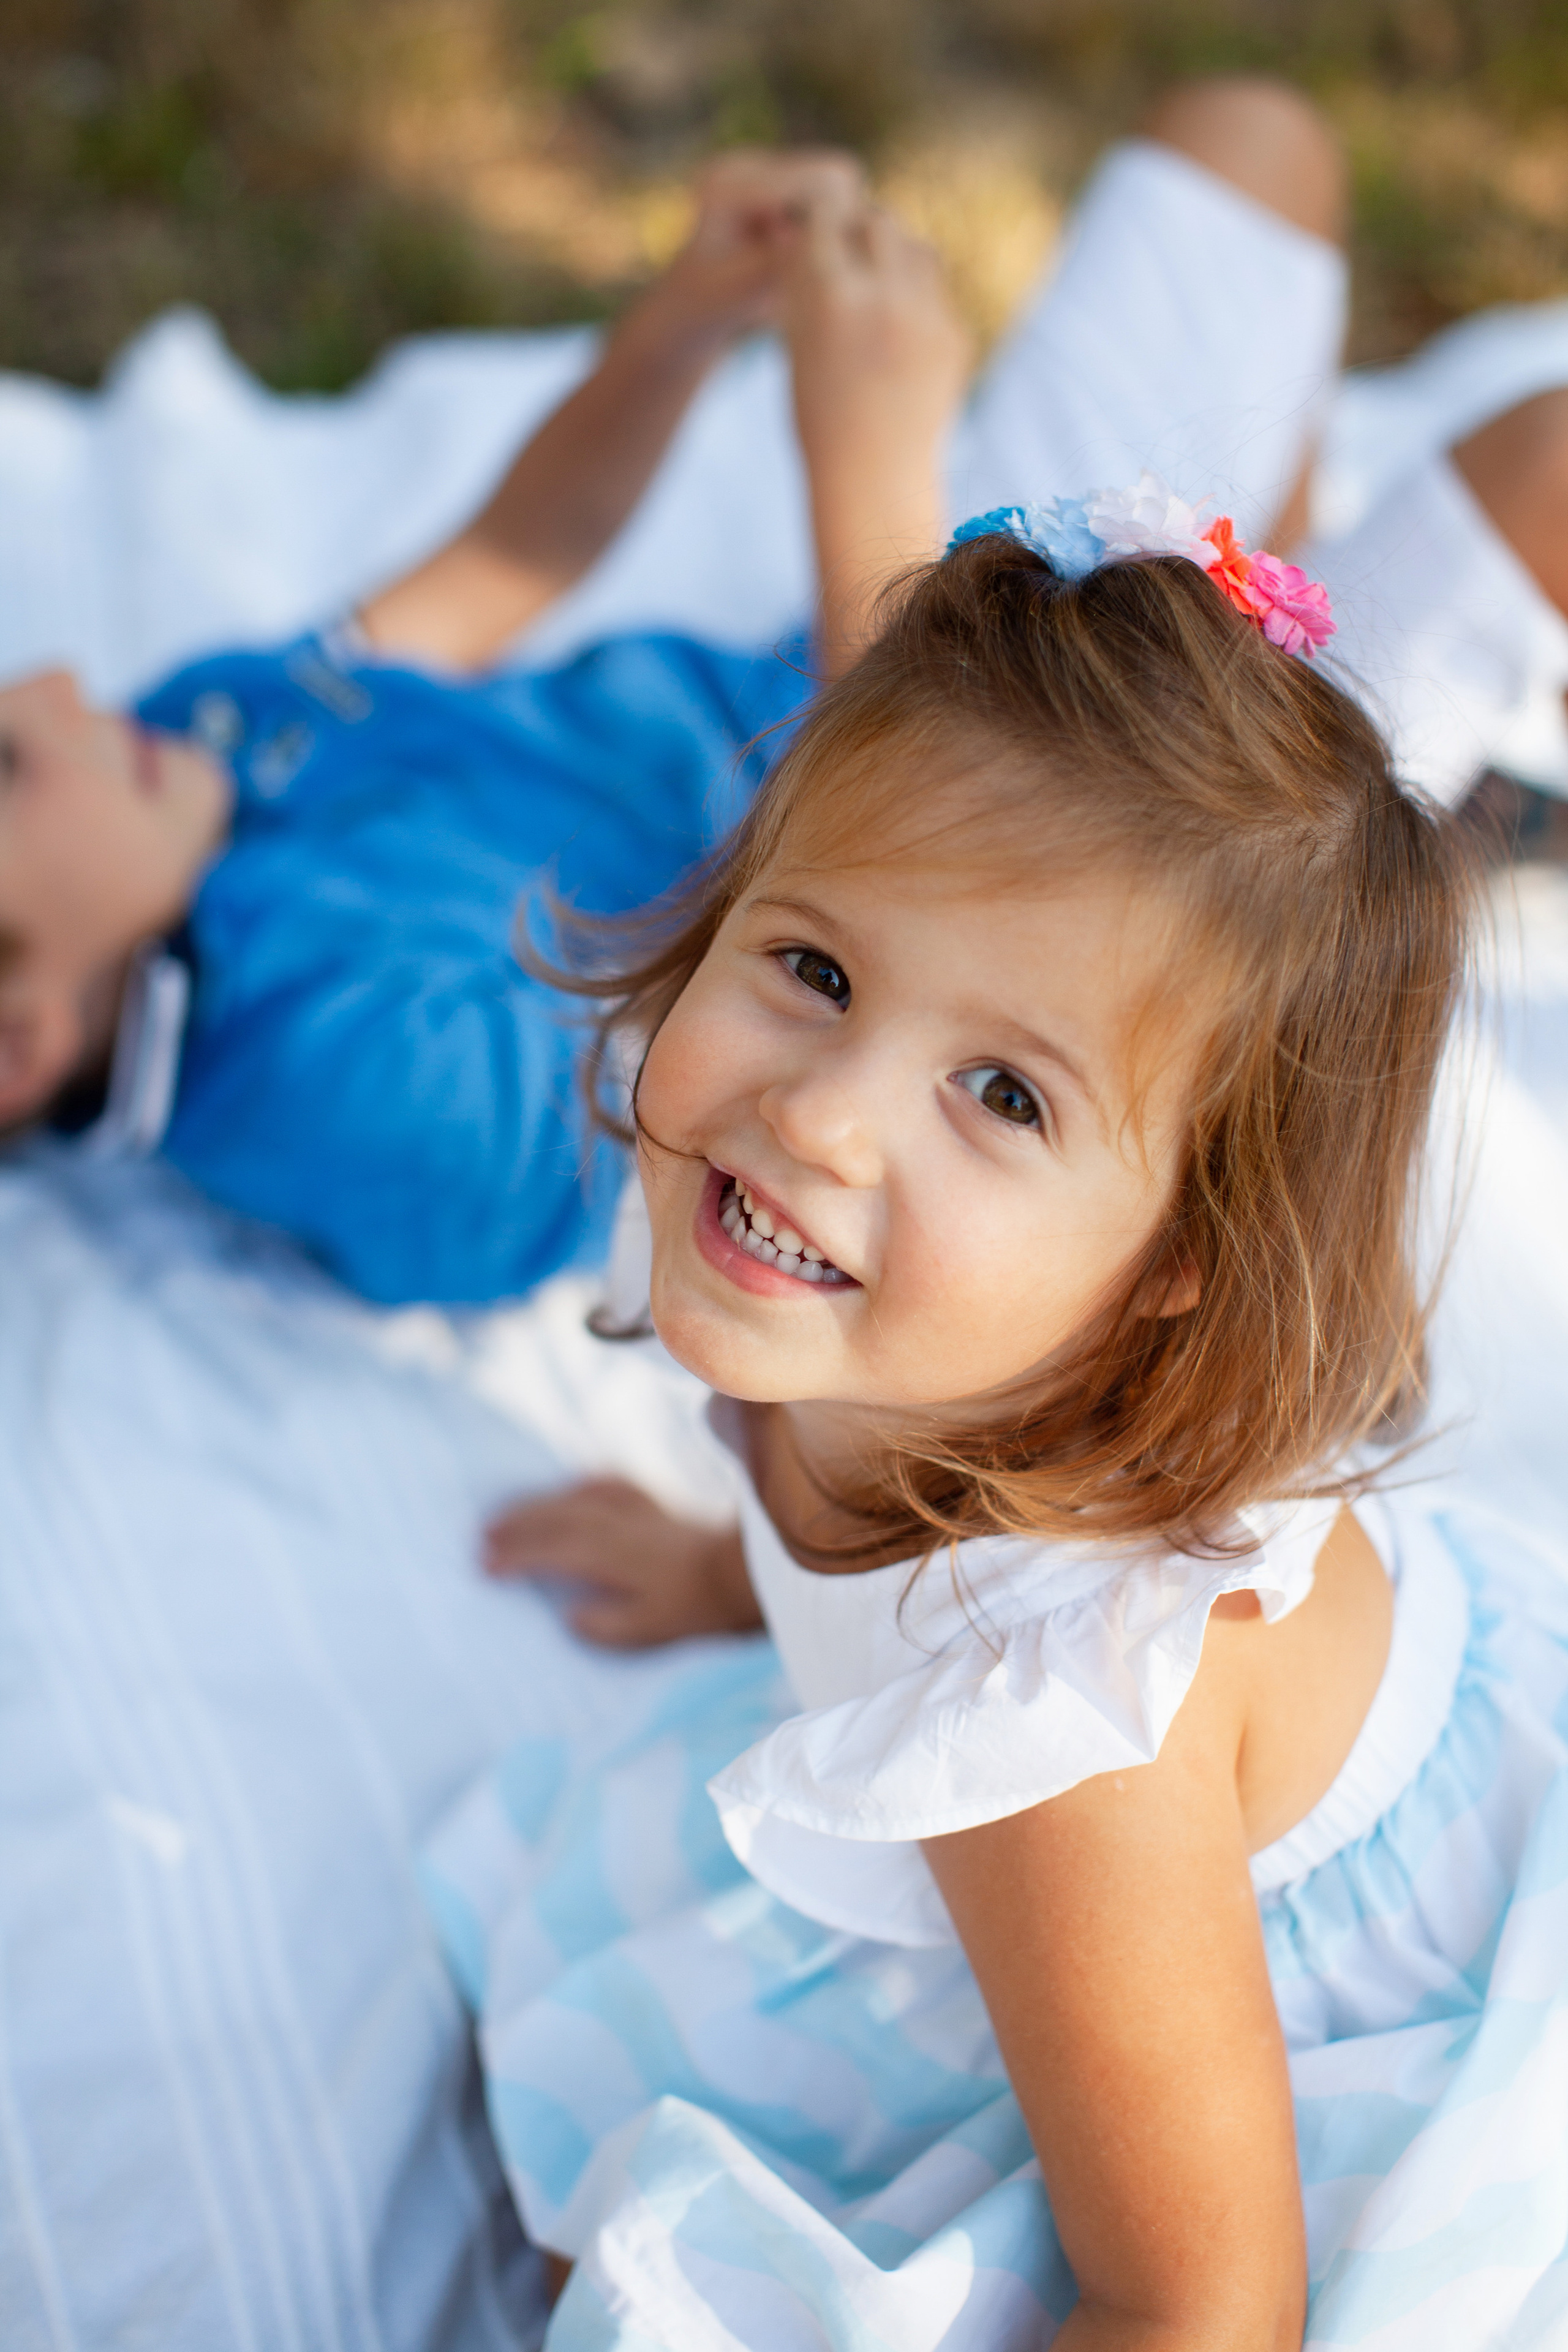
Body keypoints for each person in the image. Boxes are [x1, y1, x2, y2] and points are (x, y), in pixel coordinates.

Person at [434, 461, 1564, 2350]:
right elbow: (854, 1529)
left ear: (1181, 1256)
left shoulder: (1069, 1728)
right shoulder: (839, 1318)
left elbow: (1201, 2304)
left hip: (1291, 2012)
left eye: (1007, 1097)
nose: (821, 1112)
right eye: (811, 967)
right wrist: (740, 1580)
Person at [0, 77, 1359, 1306]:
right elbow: (799, 1029)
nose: (59, 685)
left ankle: (1275, 628)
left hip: (926, 629)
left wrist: (688, 318)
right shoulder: (331, 1086)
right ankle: (1303, 687)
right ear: (21, 1037)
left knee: (1248, 137)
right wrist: (865, 459)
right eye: (10, 763)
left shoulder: (194, 745)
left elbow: (493, 569)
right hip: (1028, 803)